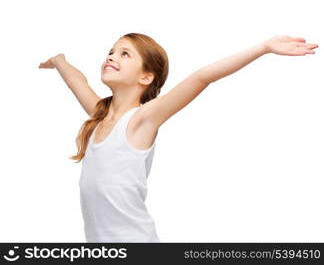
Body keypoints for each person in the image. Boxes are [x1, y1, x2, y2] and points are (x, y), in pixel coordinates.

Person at [39, 33, 318, 242]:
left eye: (125, 54)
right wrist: (59, 61)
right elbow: (76, 80)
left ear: (146, 78)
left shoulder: (141, 120)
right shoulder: (100, 115)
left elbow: (202, 77)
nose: (111, 56)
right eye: (111, 51)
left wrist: (264, 48)